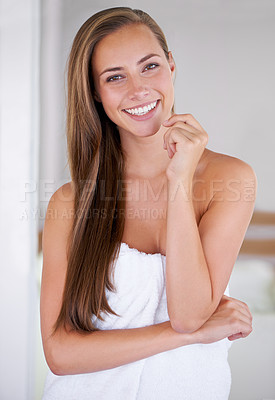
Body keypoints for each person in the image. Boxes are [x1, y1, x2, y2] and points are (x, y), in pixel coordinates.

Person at [40, 6, 256, 400]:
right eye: (115, 77)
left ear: (172, 66)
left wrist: (178, 179)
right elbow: (59, 353)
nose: (138, 90)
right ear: (95, 92)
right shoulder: (70, 204)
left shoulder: (229, 179)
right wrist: (187, 335)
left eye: (150, 66)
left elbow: (189, 312)